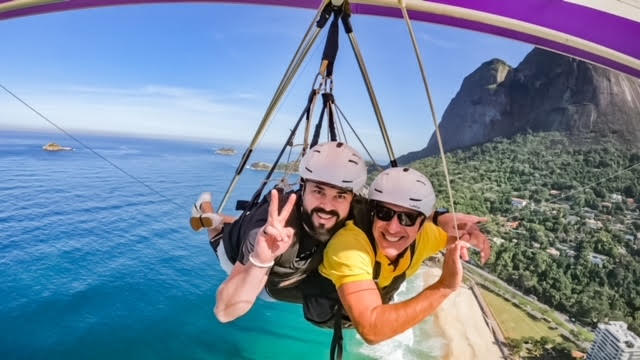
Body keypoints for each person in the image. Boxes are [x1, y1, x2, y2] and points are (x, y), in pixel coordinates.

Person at [190, 142, 489, 326]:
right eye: (318, 191)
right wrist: (260, 260)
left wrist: (441, 217)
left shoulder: (361, 212)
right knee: (220, 236)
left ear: (353, 198)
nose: (328, 206)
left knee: (242, 223)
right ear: (302, 188)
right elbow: (225, 311)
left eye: (339, 196)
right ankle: (211, 218)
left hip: (297, 275)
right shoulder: (267, 238)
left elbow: (399, 211)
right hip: (250, 267)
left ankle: (218, 217)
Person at [315, 167, 488, 345]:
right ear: (373, 213)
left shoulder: (425, 236)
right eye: (385, 213)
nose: (393, 228)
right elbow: (372, 330)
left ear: (422, 224)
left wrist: (469, 233)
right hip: (329, 311)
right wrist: (445, 285)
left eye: (407, 218)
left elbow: (459, 233)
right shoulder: (349, 246)